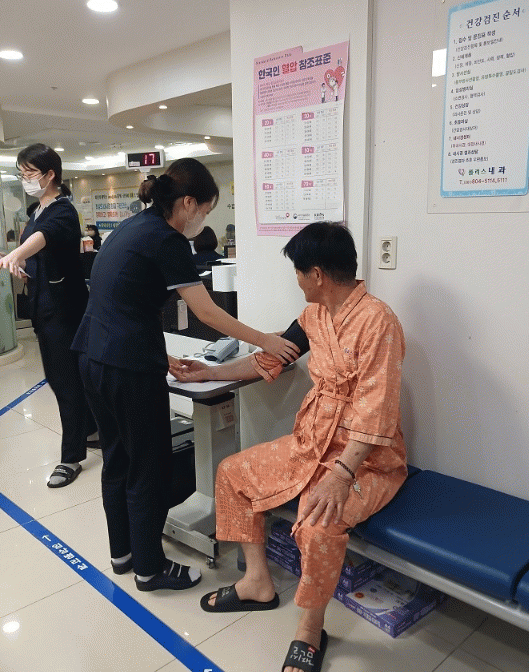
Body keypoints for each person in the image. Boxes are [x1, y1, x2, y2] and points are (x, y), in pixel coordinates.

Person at [173, 222, 407, 672]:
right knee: (233, 472)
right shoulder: (313, 317)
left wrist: (341, 475)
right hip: (311, 441)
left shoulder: (379, 322)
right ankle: (257, 582)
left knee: (319, 525)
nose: (296, 280)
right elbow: (269, 359)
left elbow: (377, 411)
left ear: (316, 274)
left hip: (366, 460)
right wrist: (207, 372)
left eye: (298, 272)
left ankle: (311, 627)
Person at [71, 158, 299, 593]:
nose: (204, 220)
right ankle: (150, 569)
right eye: (207, 210)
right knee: (148, 465)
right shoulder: (167, 238)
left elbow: (121, 300)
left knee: (117, 458)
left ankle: (123, 554)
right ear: (189, 203)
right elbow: (207, 312)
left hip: (92, 356)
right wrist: (266, 341)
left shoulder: (132, 228)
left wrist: (160, 354)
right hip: (128, 367)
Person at [0, 143, 98, 488]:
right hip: (44, 306)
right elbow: (39, 253)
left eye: (30, 173)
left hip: (64, 310)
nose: (24, 179)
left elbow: (43, 238)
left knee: (65, 382)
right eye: (21, 174)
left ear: (50, 174)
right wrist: (20, 263)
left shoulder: (62, 210)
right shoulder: (36, 210)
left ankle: (71, 457)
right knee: (66, 378)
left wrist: (17, 254)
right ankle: (91, 430)